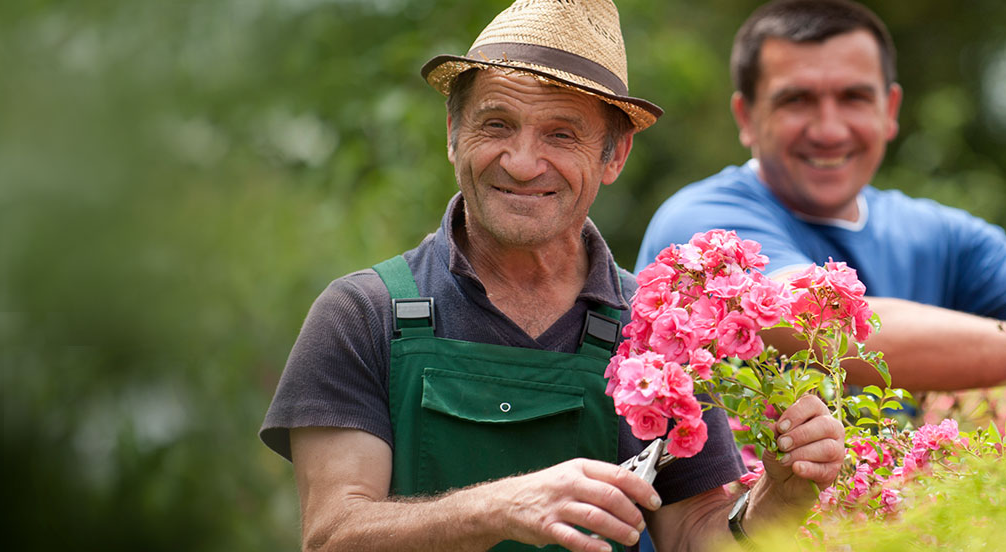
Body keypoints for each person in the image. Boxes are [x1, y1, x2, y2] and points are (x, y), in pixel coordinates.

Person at [260, 2, 845, 551]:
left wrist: (776, 500)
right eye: (495, 125)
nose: (521, 162)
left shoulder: (664, 329)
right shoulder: (365, 313)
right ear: (452, 133)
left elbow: (695, 532)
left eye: (561, 134)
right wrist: (499, 506)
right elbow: (333, 532)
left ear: (614, 156)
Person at [636, 0, 1006, 392]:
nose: (829, 128)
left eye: (853, 98)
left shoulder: (935, 233)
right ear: (746, 117)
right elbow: (825, 322)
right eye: (797, 100)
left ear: (890, 111)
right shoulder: (702, 226)